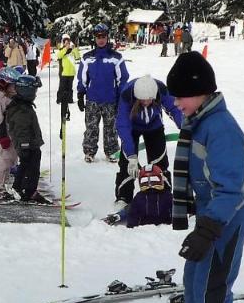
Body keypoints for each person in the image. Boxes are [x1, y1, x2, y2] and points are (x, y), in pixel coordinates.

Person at [150, 51, 244, 303]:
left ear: (201, 92)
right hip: (213, 214)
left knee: (213, 289)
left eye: (180, 95)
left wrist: (208, 228)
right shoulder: (200, 122)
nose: (176, 103)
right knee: (195, 275)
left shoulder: (220, 128)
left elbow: (234, 188)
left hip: (227, 218)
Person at [114, 74, 184, 208]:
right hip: (132, 127)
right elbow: (123, 125)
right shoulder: (126, 94)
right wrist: (131, 156)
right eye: (142, 100)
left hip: (154, 126)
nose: (146, 102)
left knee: (159, 162)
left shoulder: (161, 89)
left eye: (149, 100)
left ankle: (164, 192)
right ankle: (123, 197)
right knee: (127, 164)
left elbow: (175, 108)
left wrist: (184, 128)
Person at [77, 23, 131, 163]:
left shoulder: (116, 57)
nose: (101, 39)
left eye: (103, 36)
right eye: (98, 37)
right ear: (94, 38)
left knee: (111, 128)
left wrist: (121, 98)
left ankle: (112, 151)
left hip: (110, 99)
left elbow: (122, 79)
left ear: (108, 37)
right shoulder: (88, 57)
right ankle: (89, 151)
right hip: (92, 99)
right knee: (91, 127)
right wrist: (80, 94)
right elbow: (82, 78)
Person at [4, 70, 51, 204]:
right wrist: (24, 146)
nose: (35, 94)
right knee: (31, 169)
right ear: (27, 91)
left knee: (25, 166)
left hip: (30, 144)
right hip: (28, 145)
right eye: (34, 91)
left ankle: (19, 187)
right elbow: (21, 130)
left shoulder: (23, 106)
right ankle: (29, 191)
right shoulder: (21, 109)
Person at [104, 166, 173, 227]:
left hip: (164, 230)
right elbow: (130, 209)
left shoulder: (167, 196)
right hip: (141, 232)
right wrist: (118, 216)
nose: (150, 185)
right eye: (145, 181)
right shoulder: (140, 197)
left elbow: (178, 209)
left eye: (154, 181)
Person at [55, 33, 82, 122]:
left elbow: (78, 57)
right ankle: (59, 99)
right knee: (62, 87)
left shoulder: (72, 49)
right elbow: (59, 56)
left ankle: (70, 99)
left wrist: (74, 49)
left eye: (68, 41)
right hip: (64, 72)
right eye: (65, 41)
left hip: (71, 72)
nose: (67, 42)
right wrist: (65, 48)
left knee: (70, 87)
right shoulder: (62, 49)